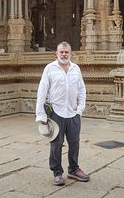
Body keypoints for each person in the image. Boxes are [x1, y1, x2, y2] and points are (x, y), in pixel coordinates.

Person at [36, 41, 89, 186]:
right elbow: (42, 91)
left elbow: (81, 89)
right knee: (56, 144)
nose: (64, 54)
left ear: (70, 53)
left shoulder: (75, 68)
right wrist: (41, 115)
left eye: (66, 52)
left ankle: (73, 169)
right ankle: (57, 173)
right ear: (57, 54)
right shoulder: (50, 69)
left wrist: (80, 109)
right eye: (61, 52)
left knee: (74, 143)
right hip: (56, 113)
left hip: (73, 113)